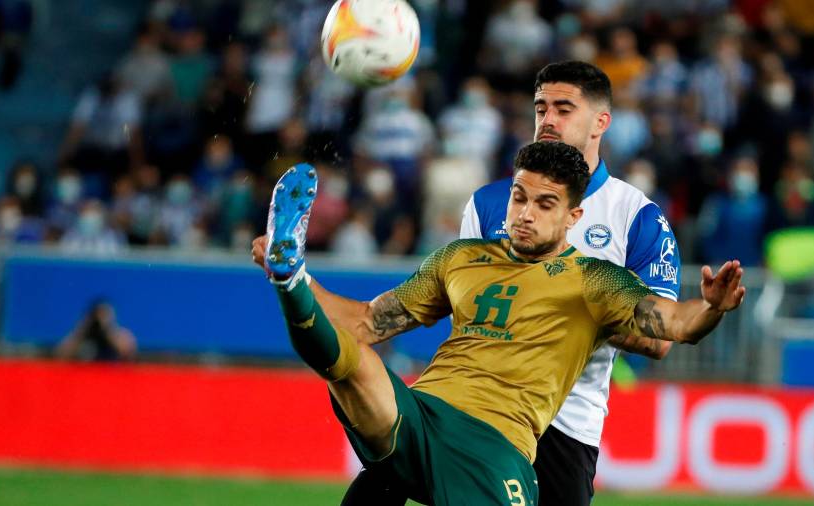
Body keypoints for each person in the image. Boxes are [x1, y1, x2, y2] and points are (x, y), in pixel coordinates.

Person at [253, 145, 745, 505]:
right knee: (352, 362)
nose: (524, 214)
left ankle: (291, 280)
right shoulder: (461, 258)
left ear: (573, 215)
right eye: (518, 198)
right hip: (421, 416)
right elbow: (365, 322)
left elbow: (677, 324)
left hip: (494, 447)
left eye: (544, 204)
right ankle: (289, 278)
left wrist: (712, 308)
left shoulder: (594, 280)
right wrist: (303, 280)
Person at [332, 60, 687, 506]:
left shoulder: (637, 217)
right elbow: (462, 298)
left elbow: (659, 342)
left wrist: (568, 310)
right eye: (541, 108)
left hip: (568, 420)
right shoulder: (490, 203)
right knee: (378, 485)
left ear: (601, 122)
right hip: (473, 403)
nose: (548, 120)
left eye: (563, 109)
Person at [55, 299, 137, 361]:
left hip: (112, 376)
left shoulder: (118, 335)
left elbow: (128, 352)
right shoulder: (85, 333)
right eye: (98, 314)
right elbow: (61, 353)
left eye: (105, 315)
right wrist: (82, 329)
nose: (100, 320)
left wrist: (108, 330)